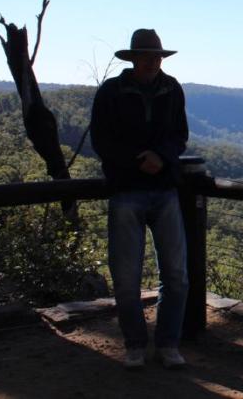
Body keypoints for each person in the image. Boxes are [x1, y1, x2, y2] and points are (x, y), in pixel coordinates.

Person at [90, 28, 189, 369]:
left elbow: (180, 136)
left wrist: (161, 157)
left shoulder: (172, 89)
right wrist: (138, 160)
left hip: (165, 191)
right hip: (126, 192)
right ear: (132, 58)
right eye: (147, 56)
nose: (153, 61)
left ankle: (167, 344)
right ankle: (134, 344)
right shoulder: (111, 93)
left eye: (157, 56)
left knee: (176, 275)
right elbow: (102, 141)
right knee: (126, 277)